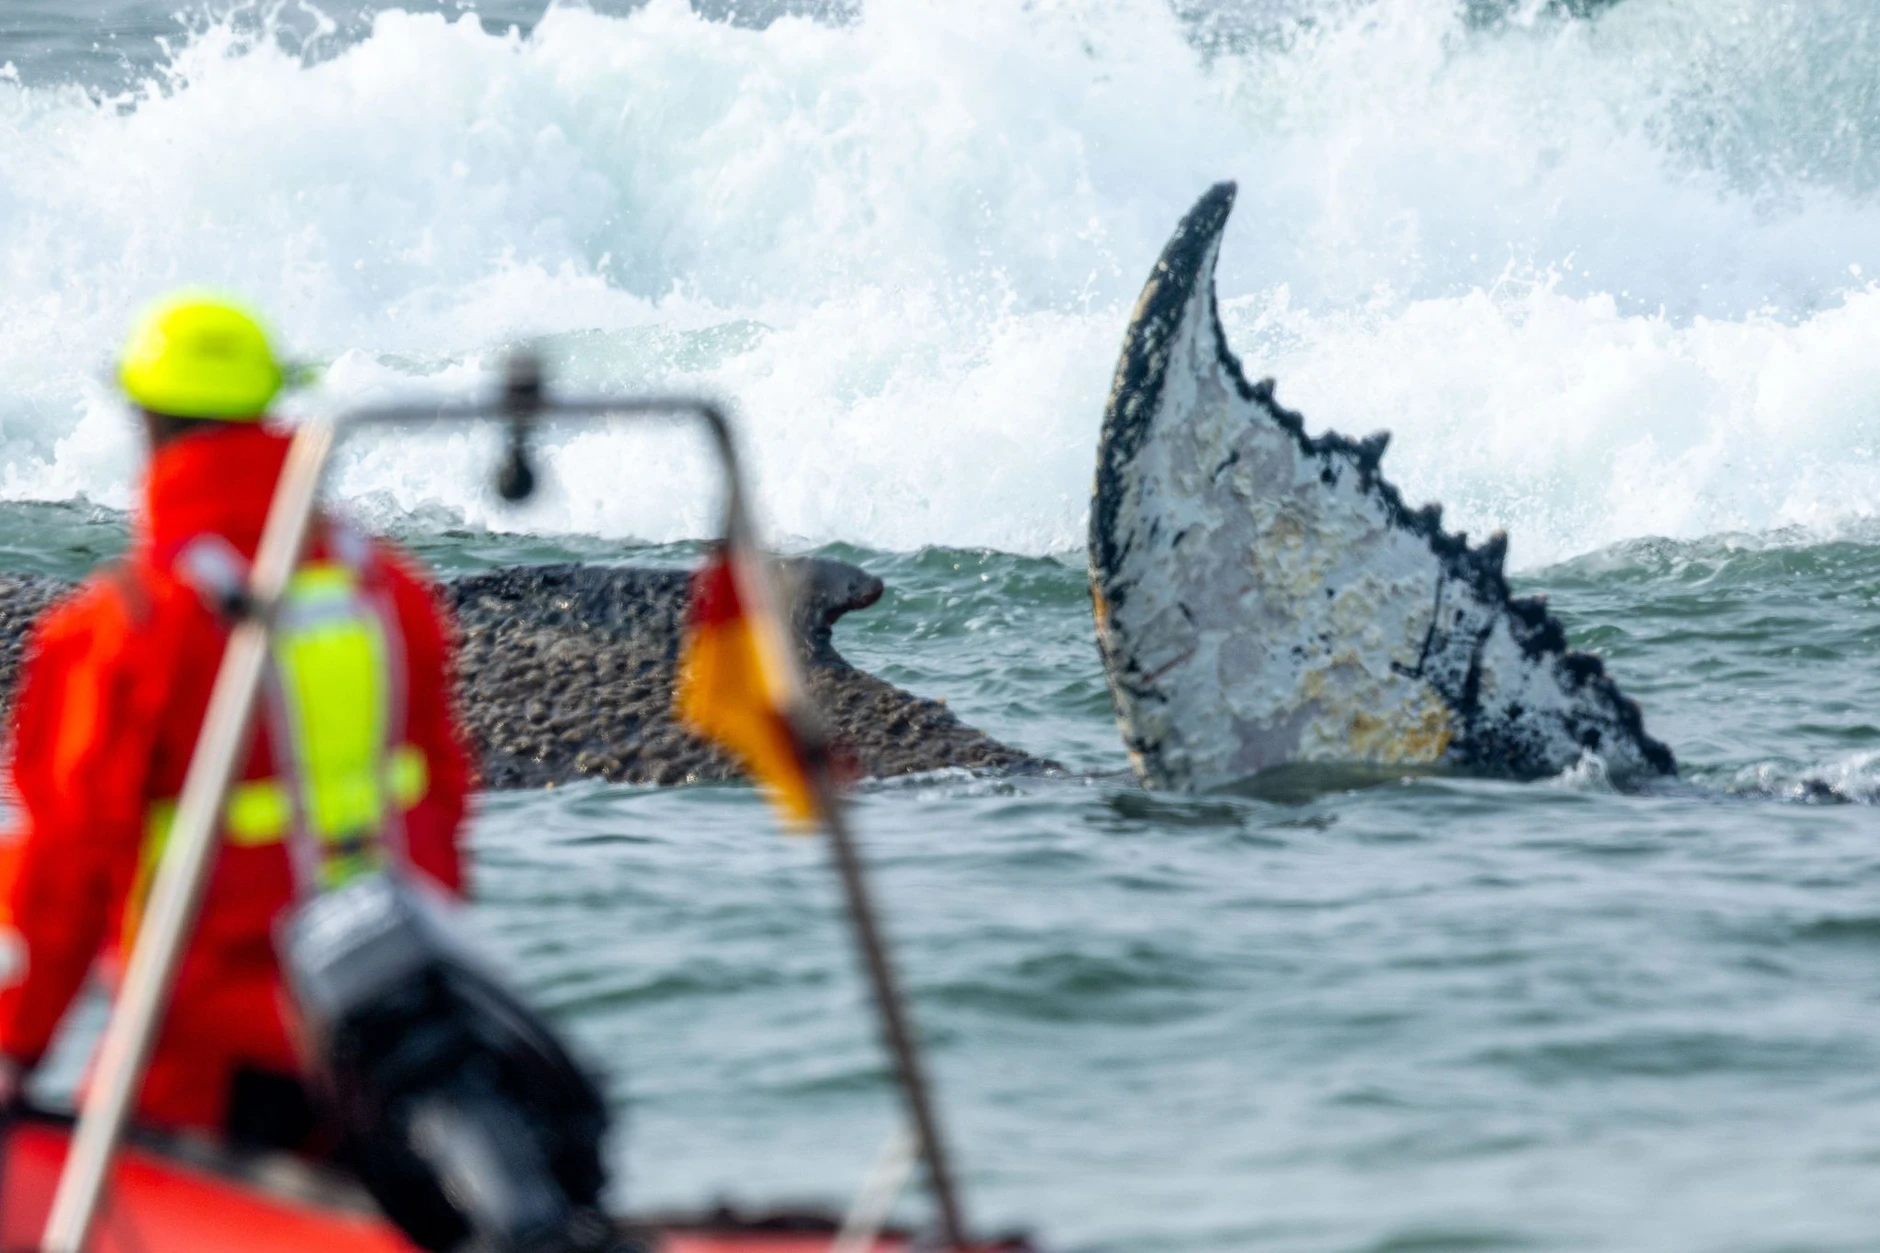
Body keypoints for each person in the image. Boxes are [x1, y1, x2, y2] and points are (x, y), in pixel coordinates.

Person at [0, 292, 473, 1147]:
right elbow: (441, 800)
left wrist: (14, 1050)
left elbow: (63, 866)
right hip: (393, 1026)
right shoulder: (388, 593)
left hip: (205, 1052)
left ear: (145, 424)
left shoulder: (126, 624)